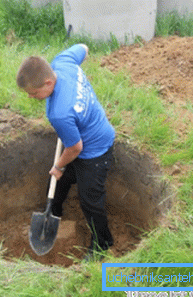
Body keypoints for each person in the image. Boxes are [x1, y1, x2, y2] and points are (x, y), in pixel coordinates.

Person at [16, 44, 116, 261]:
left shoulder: (59, 113)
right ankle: (53, 214)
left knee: (90, 200)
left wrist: (59, 165)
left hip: (95, 149)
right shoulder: (62, 63)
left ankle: (103, 242)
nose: (31, 97)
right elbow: (84, 47)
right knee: (59, 180)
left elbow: (75, 148)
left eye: (34, 93)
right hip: (82, 136)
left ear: (48, 82)